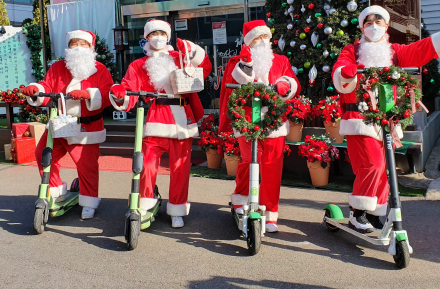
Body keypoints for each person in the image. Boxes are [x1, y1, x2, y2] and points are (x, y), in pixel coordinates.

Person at [332, 6, 440, 233]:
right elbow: (340, 69)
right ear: (361, 27)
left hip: (385, 120)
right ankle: (358, 212)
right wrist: (346, 72)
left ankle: (376, 211)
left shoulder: (393, 52)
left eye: (379, 21)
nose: (373, 26)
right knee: (371, 165)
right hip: (358, 117)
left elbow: (420, 49)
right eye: (368, 22)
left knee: (385, 166)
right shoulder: (352, 50)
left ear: (386, 26)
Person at [109, 19, 211, 228]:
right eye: (153, 34)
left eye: (162, 34)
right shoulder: (138, 65)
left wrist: (191, 50)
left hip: (182, 116)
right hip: (156, 117)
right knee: (146, 164)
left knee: (180, 168)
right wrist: (119, 93)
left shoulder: (180, 57)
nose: (158, 37)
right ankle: (146, 202)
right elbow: (129, 91)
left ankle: (177, 208)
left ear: (168, 37)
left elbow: (205, 67)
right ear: (146, 38)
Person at [218, 19, 300, 233]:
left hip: (274, 119)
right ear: (248, 41)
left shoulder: (280, 60)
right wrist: (245, 68)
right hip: (247, 118)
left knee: (272, 165)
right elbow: (230, 90)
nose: (262, 42)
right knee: (249, 159)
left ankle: (270, 211)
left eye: (265, 37)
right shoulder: (236, 61)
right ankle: (242, 196)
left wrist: (286, 85)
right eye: (257, 38)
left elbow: (292, 82)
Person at [23, 30, 114, 220]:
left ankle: (89, 200)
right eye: (74, 43)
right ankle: (55, 190)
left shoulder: (100, 69)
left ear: (91, 47)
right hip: (60, 124)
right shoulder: (57, 67)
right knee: (43, 155)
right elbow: (47, 86)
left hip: (86, 127)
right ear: (68, 47)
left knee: (86, 166)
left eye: (83, 44)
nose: (78, 48)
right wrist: (37, 90)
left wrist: (90, 94)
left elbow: (108, 95)